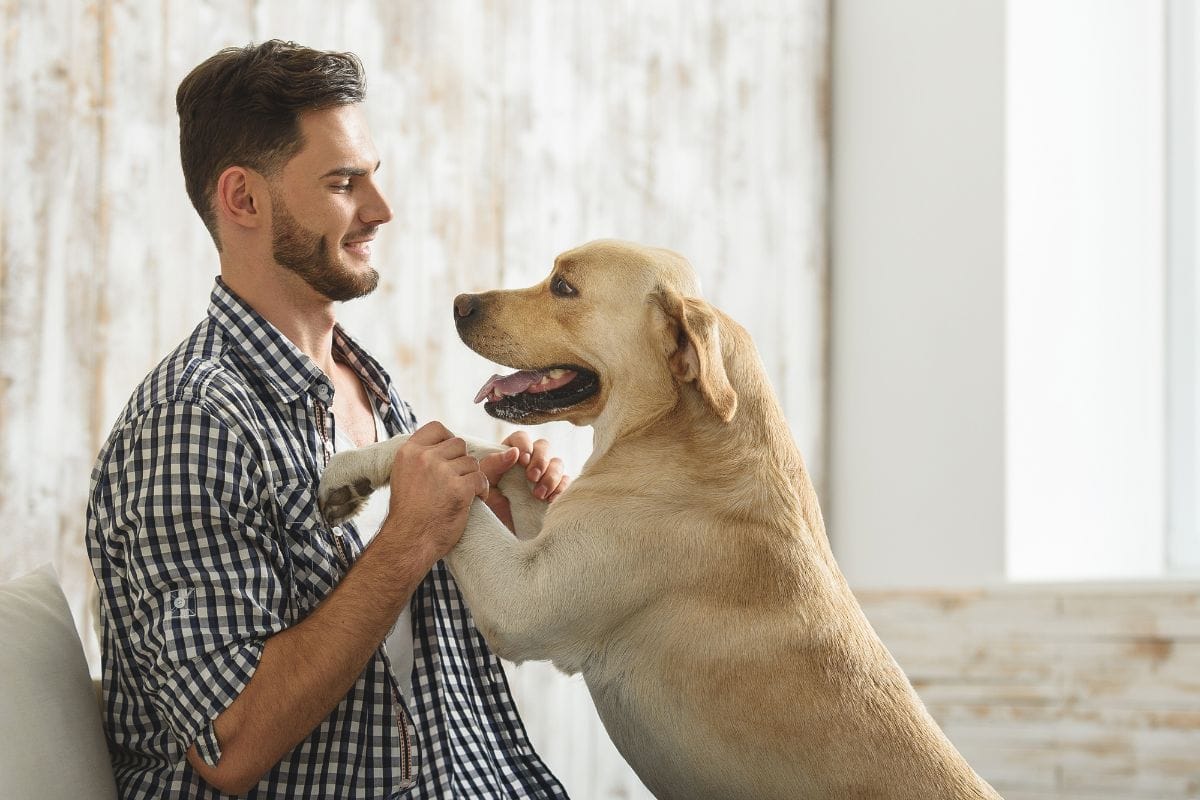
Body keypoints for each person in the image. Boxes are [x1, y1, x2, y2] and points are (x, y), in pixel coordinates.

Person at [86, 40, 571, 799]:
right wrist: (408, 540)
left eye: (372, 176)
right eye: (344, 183)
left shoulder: (372, 389)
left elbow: (409, 668)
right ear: (243, 200)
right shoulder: (190, 422)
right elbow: (230, 743)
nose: (381, 209)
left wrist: (504, 537)